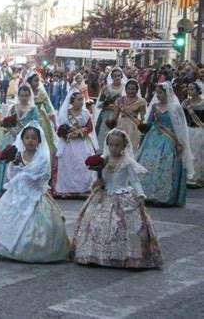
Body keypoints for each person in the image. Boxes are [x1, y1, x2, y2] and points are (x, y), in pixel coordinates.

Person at [70, 129, 163, 269]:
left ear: (124, 146)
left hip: (122, 196)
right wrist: (97, 182)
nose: (114, 148)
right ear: (107, 144)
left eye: (117, 145)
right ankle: (94, 254)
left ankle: (128, 256)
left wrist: (140, 195)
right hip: (103, 194)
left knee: (124, 226)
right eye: (111, 144)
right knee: (95, 224)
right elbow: (98, 180)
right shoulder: (104, 160)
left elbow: (135, 180)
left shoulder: (126, 163)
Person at [0, 121, 69, 263]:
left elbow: (43, 177)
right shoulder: (18, 155)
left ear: (39, 141)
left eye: (34, 138)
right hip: (18, 191)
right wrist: (16, 166)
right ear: (22, 139)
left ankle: (31, 249)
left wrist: (26, 172)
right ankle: (4, 246)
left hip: (34, 193)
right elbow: (11, 175)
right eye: (27, 138)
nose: (30, 141)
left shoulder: (41, 157)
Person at [136, 82, 193, 206]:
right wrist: (143, 131)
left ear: (167, 93)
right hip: (152, 138)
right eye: (157, 93)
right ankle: (147, 193)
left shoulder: (175, 108)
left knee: (166, 164)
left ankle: (163, 196)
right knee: (148, 161)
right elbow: (150, 122)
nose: (158, 95)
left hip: (169, 140)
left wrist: (180, 142)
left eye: (160, 92)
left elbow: (180, 127)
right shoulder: (155, 107)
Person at [0, 85, 39, 195]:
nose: (24, 98)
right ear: (18, 96)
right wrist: (10, 128)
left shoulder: (33, 109)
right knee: (9, 159)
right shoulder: (13, 108)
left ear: (29, 96)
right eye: (22, 95)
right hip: (12, 136)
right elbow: (6, 121)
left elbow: (36, 124)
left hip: (26, 139)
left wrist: (26, 135)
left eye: (26, 95)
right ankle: (7, 186)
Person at [54, 91, 98, 198]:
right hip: (68, 143)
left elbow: (90, 127)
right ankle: (67, 190)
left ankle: (83, 189)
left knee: (81, 165)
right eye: (78, 100)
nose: (81, 102)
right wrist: (68, 133)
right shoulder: (65, 113)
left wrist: (79, 132)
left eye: (82, 100)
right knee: (68, 165)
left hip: (82, 143)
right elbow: (60, 129)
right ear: (72, 101)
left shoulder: (85, 113)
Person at [95, 67, 126, 153]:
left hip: (120, 115)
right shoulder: (106, 88)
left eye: (119, 76)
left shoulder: (125, 88)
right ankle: (104, 152)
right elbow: (100, 103)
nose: (117, 78)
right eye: (115, 76)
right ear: (111, 77)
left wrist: (118, 107)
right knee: (104, 133)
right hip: (107, 115)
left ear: (122, 76)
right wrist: (108, 106)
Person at [110, 79, 147, 150]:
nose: (130, 91)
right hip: (121, 126)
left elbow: (143, 117)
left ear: (137, 90)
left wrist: (143, 127)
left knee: (131, 147)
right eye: (128, 89)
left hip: (134, 127)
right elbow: (115, 116)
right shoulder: (119, 101)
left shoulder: (141, 102)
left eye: (133, 89)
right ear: (125, 89)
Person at [27, 74, 57, 158]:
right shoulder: (26, 92)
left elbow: (48, 108)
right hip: (27, 117)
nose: (37, 83)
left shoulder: (42, 93)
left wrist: (54, 123)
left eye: (38, 81)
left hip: (41, 118)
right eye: (35, 81)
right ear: (30, 81)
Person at [182, 81, 204, 188]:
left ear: (198, 91)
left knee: (197, 154)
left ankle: (196, 178)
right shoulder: (186, 103)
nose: (189, 91)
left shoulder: (203, 104)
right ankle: (186, 176)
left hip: (199, 131)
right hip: (187, 130)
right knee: (187, 153)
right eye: (188, 89)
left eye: (192, 89)